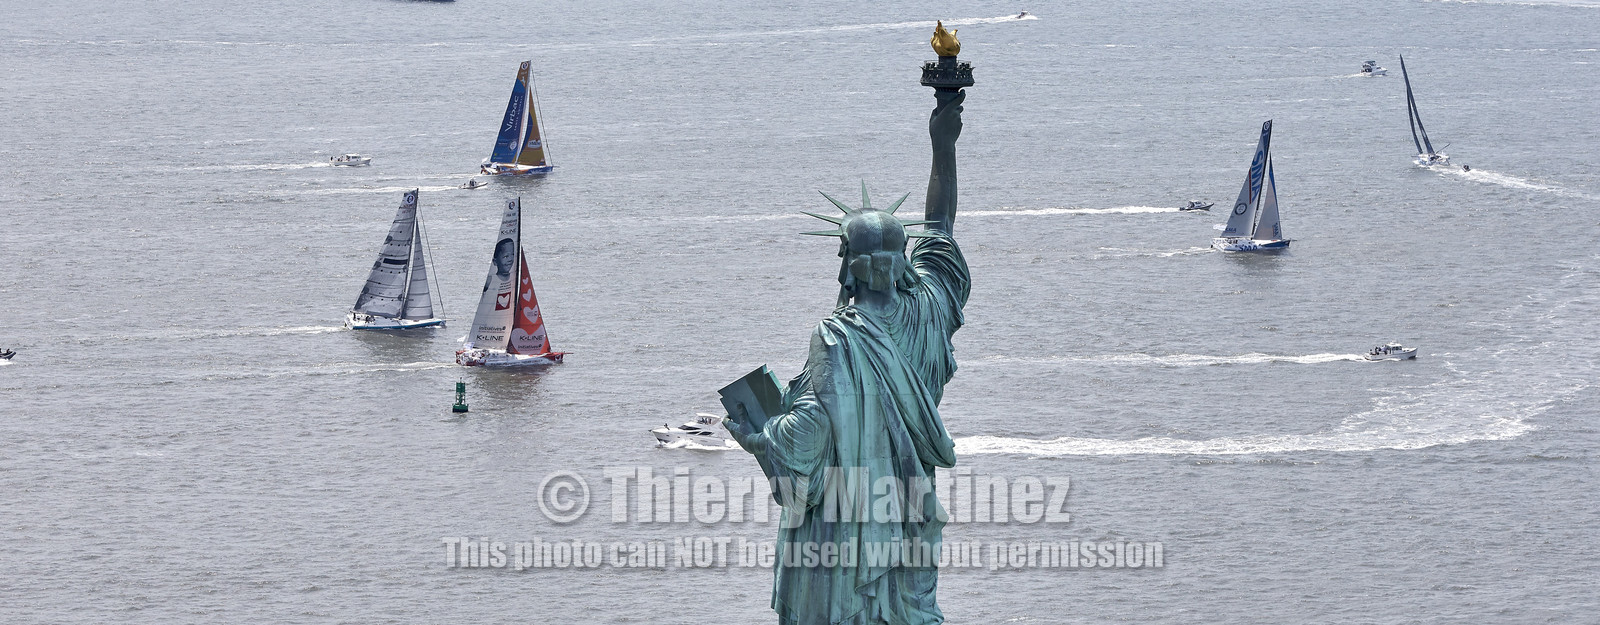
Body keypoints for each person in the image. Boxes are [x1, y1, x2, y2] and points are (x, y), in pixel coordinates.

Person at [725, 89, 969, 625]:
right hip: (906, 517)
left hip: (842, 532)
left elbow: (806, 439)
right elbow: (942, 232)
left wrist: (759, 437)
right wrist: (943, 147)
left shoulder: (837, 338)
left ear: (849, 266)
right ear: (901, 259)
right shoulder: (928, 312)